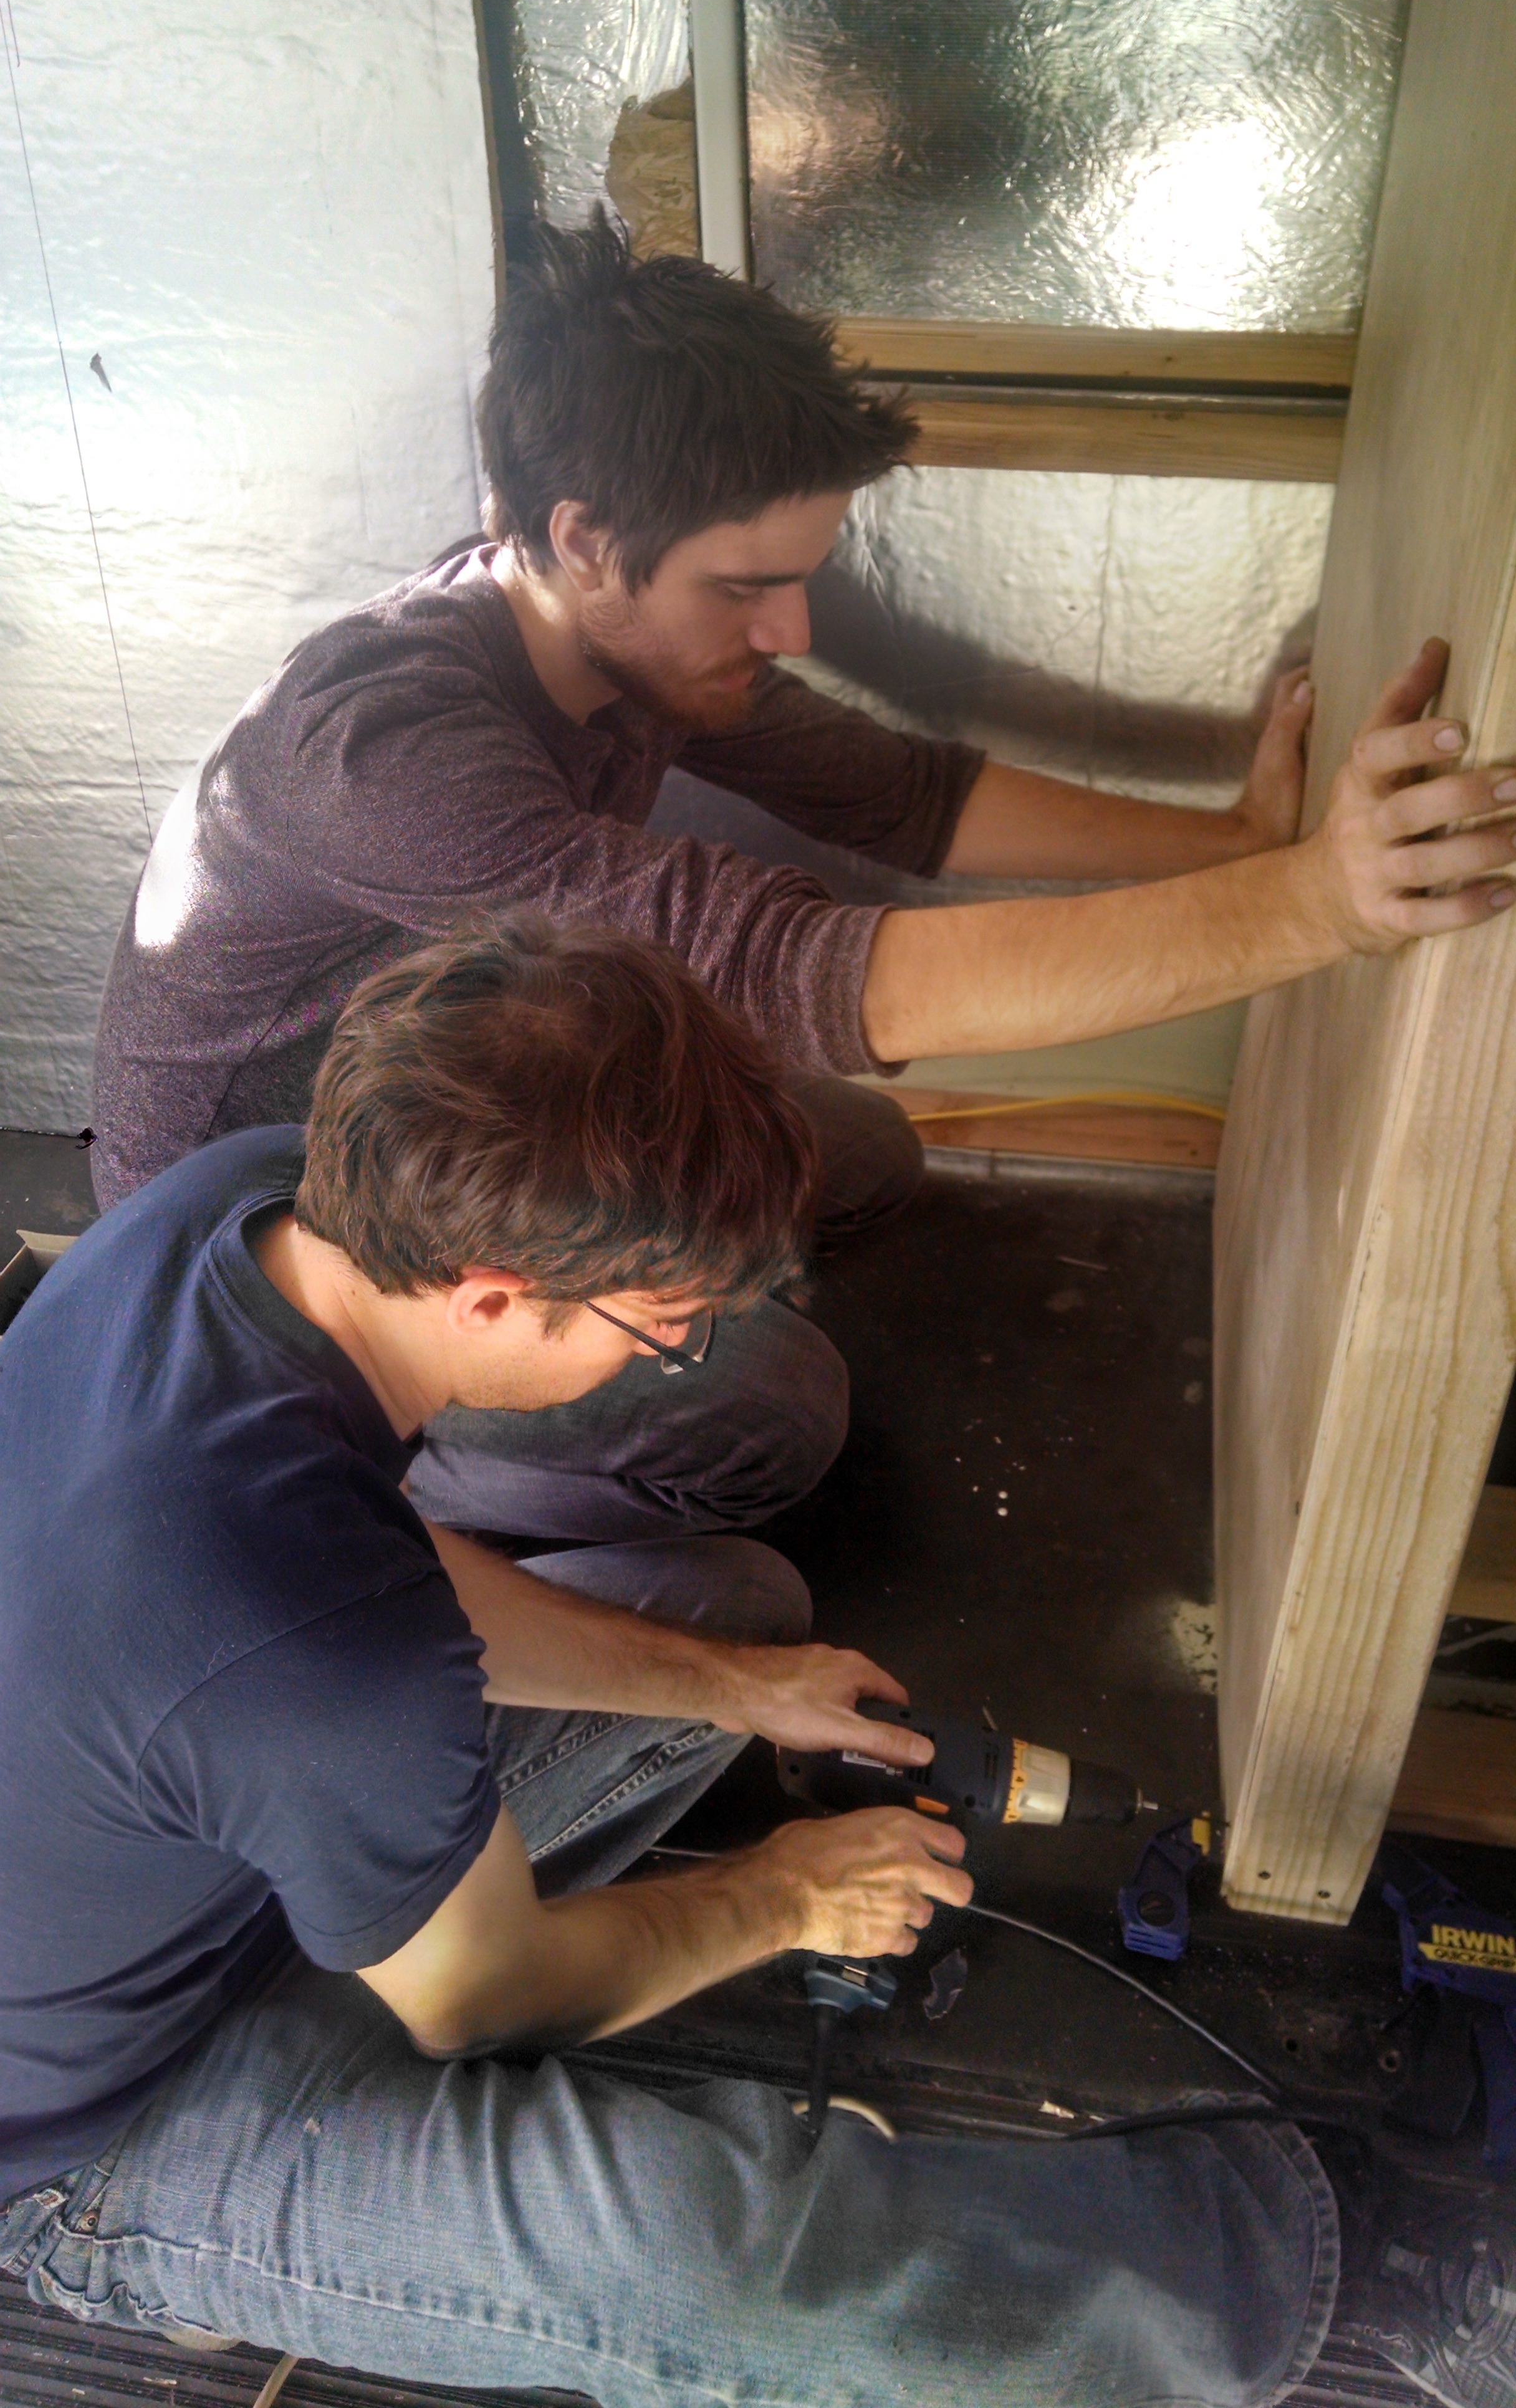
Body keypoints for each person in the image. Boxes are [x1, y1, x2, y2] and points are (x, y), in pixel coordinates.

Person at [7, 921, 1503, 2408]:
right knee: (694, 2256)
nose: (671, 1357)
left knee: (724, 1610)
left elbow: (376, 1573)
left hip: (210, 1821)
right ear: (488, 1296)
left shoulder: (238, 1209)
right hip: (93, 2124)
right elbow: (487, 1992)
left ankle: (371, 2099)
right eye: (663, 1330)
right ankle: (1346, 2260)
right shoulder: (321, 1657)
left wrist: (734, 1687)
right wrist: (788, 1894)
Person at [90, 215, 1516, 1562]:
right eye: (745, 587)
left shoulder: (612, 639)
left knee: (865, 1156)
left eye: (797, 578)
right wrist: (1321, 904)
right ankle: (416, 1495)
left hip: (474, 1123)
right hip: (277, 1250)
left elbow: (901, 794)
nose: (789, 627)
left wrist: (1241, 841)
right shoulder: (394, 756)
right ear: (585, 539)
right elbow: (795, 973)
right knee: (773, 1410)